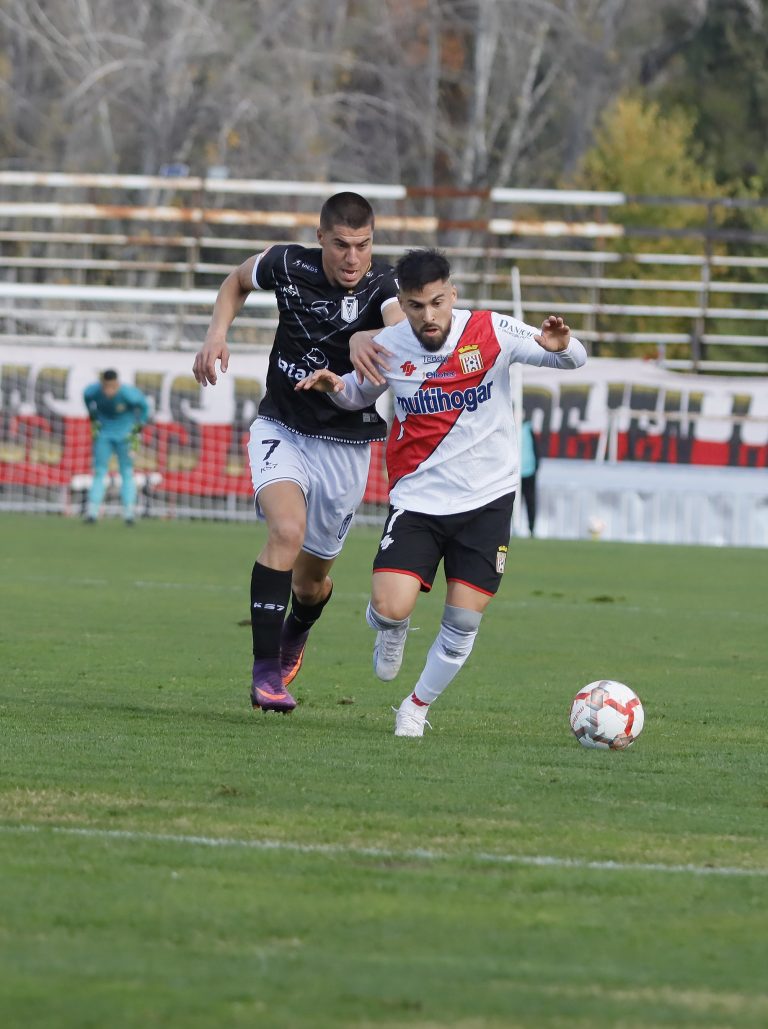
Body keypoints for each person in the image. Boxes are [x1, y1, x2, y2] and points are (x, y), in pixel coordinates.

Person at [296, 248, 587, 737]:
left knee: (462, 623)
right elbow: (357, 394)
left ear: (452, 294)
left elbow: (573, 359)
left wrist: (563, 343)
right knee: (391, 606)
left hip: (488, 500)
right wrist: (334, 387)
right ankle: (391, 628)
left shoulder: (492, 331)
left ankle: (416, 707)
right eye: (415, 306)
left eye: (436, 303)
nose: (428, 317)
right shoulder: (388, 345)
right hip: (418, 498)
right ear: (402, 304)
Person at [192, 192, 404, 714]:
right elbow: (236, 281)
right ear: (320, 240)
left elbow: (412, 331)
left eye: (363, 245)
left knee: (311, 584)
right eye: (341, 245)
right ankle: (266, 674)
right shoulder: (287, 264)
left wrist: (372, 335)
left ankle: (296, 632)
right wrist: (216, 334)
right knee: (284, 532)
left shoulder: (386, 286)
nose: (353, 258)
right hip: (281, 427)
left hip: (347, 445)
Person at [83, 369, 149, 524]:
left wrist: (138, 427)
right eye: (106, 387)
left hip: (125, 437)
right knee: (99, 471)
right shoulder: (93, 392)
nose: (108, 391)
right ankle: (92, 512)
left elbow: (144, 406)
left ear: (117, 384)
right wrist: (93, 417)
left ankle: (129, 514)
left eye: (112, 387)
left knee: (126, 471)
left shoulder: (128, 394)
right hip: (104, 435)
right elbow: (86, 398)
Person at [519, 417, 539, 536]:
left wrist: (536, 465)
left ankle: (531, 529)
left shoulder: (528, 428)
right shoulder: (509, 426)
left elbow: (535, 448)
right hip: (513, 473)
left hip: (529, 471)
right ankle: (509, 529)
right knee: (510, 504)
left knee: (530, 502)